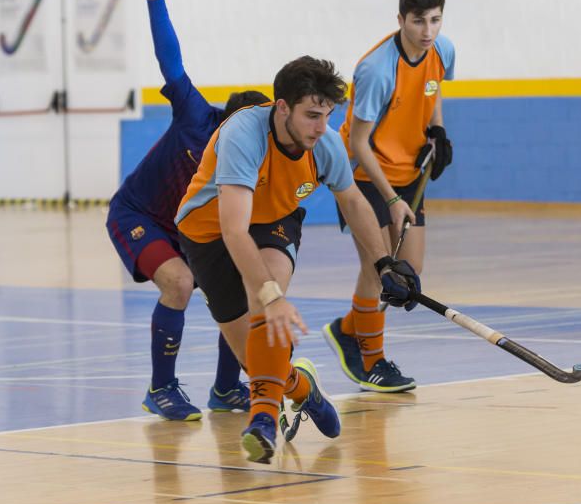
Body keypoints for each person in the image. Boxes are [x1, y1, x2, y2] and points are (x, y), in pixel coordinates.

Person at [175, 55, 422, 463]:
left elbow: (354, 202)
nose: (321, 127)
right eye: (311, 115)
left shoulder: (322, 142)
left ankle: (263, 423)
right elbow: (234, 230)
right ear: (282, 107)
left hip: (274, 220)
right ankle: (303, 387)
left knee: (263, 308)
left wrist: (383, 265)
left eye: (326, 115)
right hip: (209, 233)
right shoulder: (243, 135)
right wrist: (272, 297)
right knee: (258, 364)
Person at [106, 0, 266, 420]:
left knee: (232, 286)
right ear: (228, 123)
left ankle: (226, 389)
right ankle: (161, 389)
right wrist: (155, 0)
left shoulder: (258, 157)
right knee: (178, 281)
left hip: (188, 229)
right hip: (139, 214)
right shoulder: (197, 116)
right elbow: (171, 61)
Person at [323, 0, 455, 393]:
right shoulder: (378, 70)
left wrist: (437, 132)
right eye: (418, 21)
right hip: (365, 178)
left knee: (408, 272)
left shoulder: (443, 50)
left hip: (408, 174)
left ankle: (348, 330)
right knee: (378, 270)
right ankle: (373, 361)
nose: (427, 31)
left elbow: (432, 91)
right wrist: (392, 198)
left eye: (435, 20)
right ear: (400, 20)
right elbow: (358, 143)